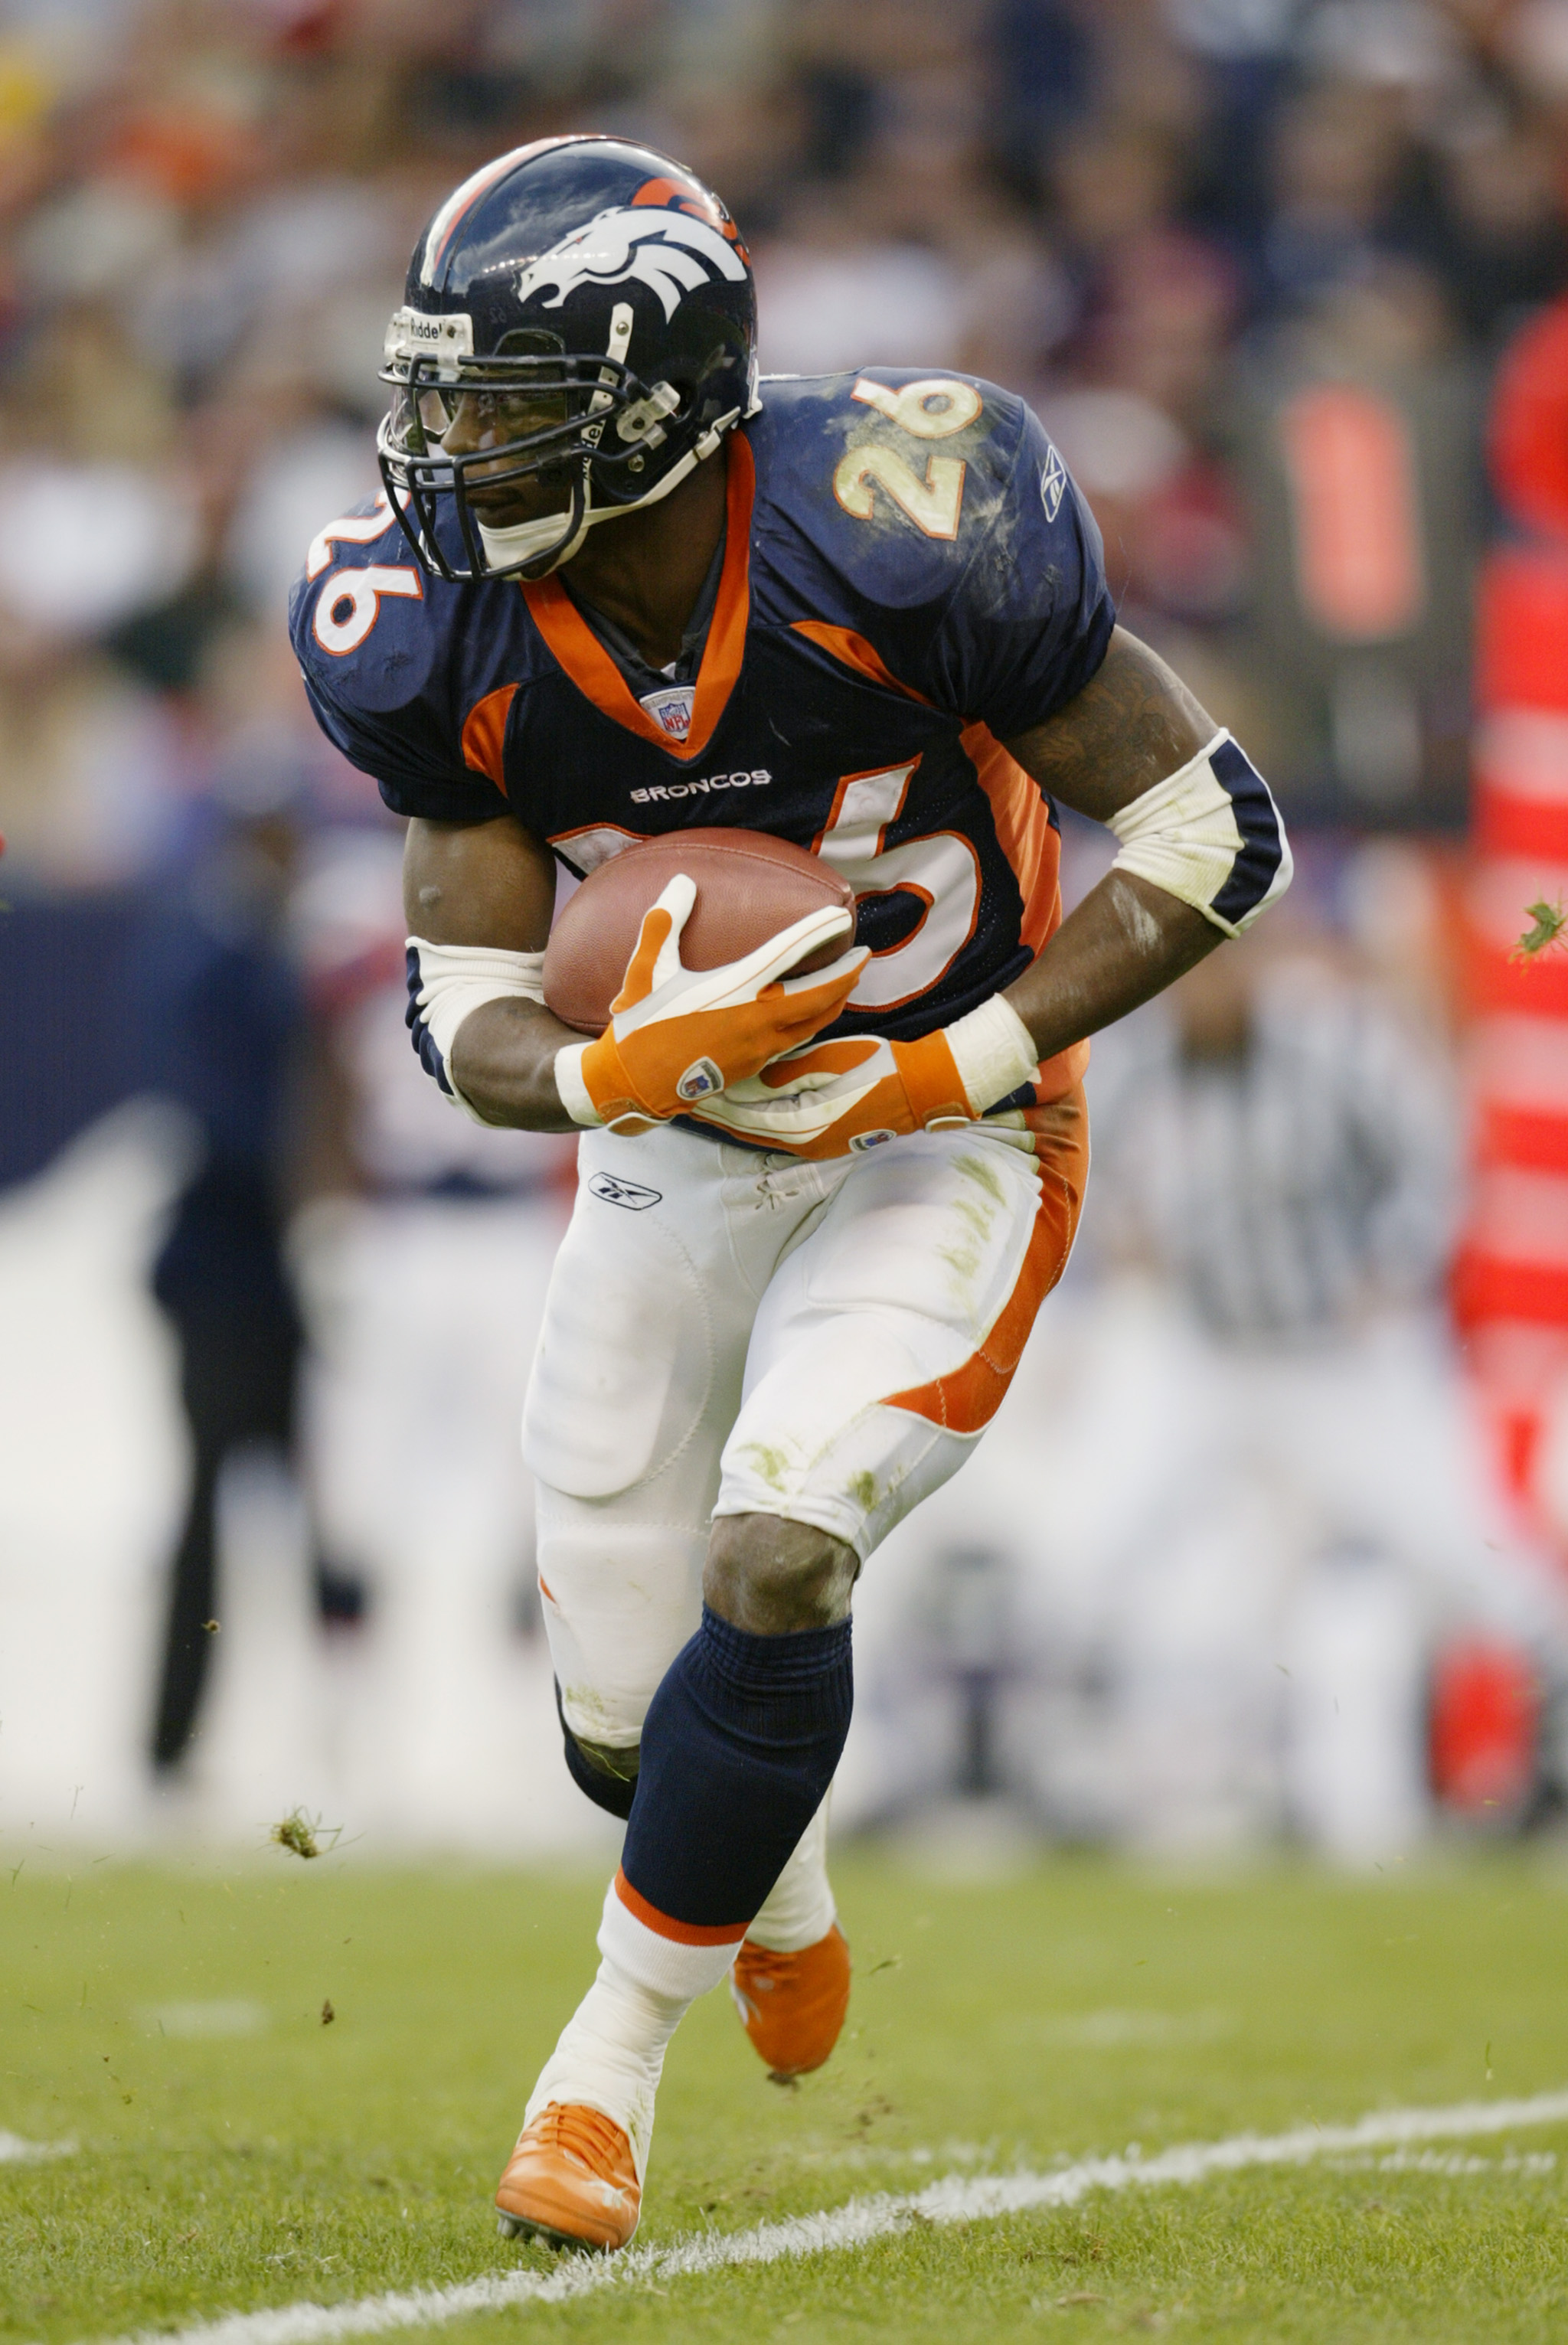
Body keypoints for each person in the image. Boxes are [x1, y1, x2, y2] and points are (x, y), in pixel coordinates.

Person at [289, 135, 1291, 2253]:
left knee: (777, 1554)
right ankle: (778, 1878)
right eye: (440, 392)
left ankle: (600, 2077)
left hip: (946, 1120)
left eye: (504, 395)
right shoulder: (433, 628)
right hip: (681, 1140)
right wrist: (593, 1073)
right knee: (616, 1734)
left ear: (658, 390)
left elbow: (1216, 837)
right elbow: (462, 1000)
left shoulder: (905, 525)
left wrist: (952, 1061)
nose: (448, 447)